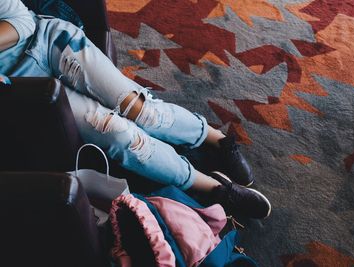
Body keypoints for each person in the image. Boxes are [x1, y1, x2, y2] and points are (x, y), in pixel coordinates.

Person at [0, 0, 271, 219]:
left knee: (141, 111)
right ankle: (214, 188)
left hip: (50, 41)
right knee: (121, 137)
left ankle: (217, 139)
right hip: (29, 89)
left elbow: (22, 21)